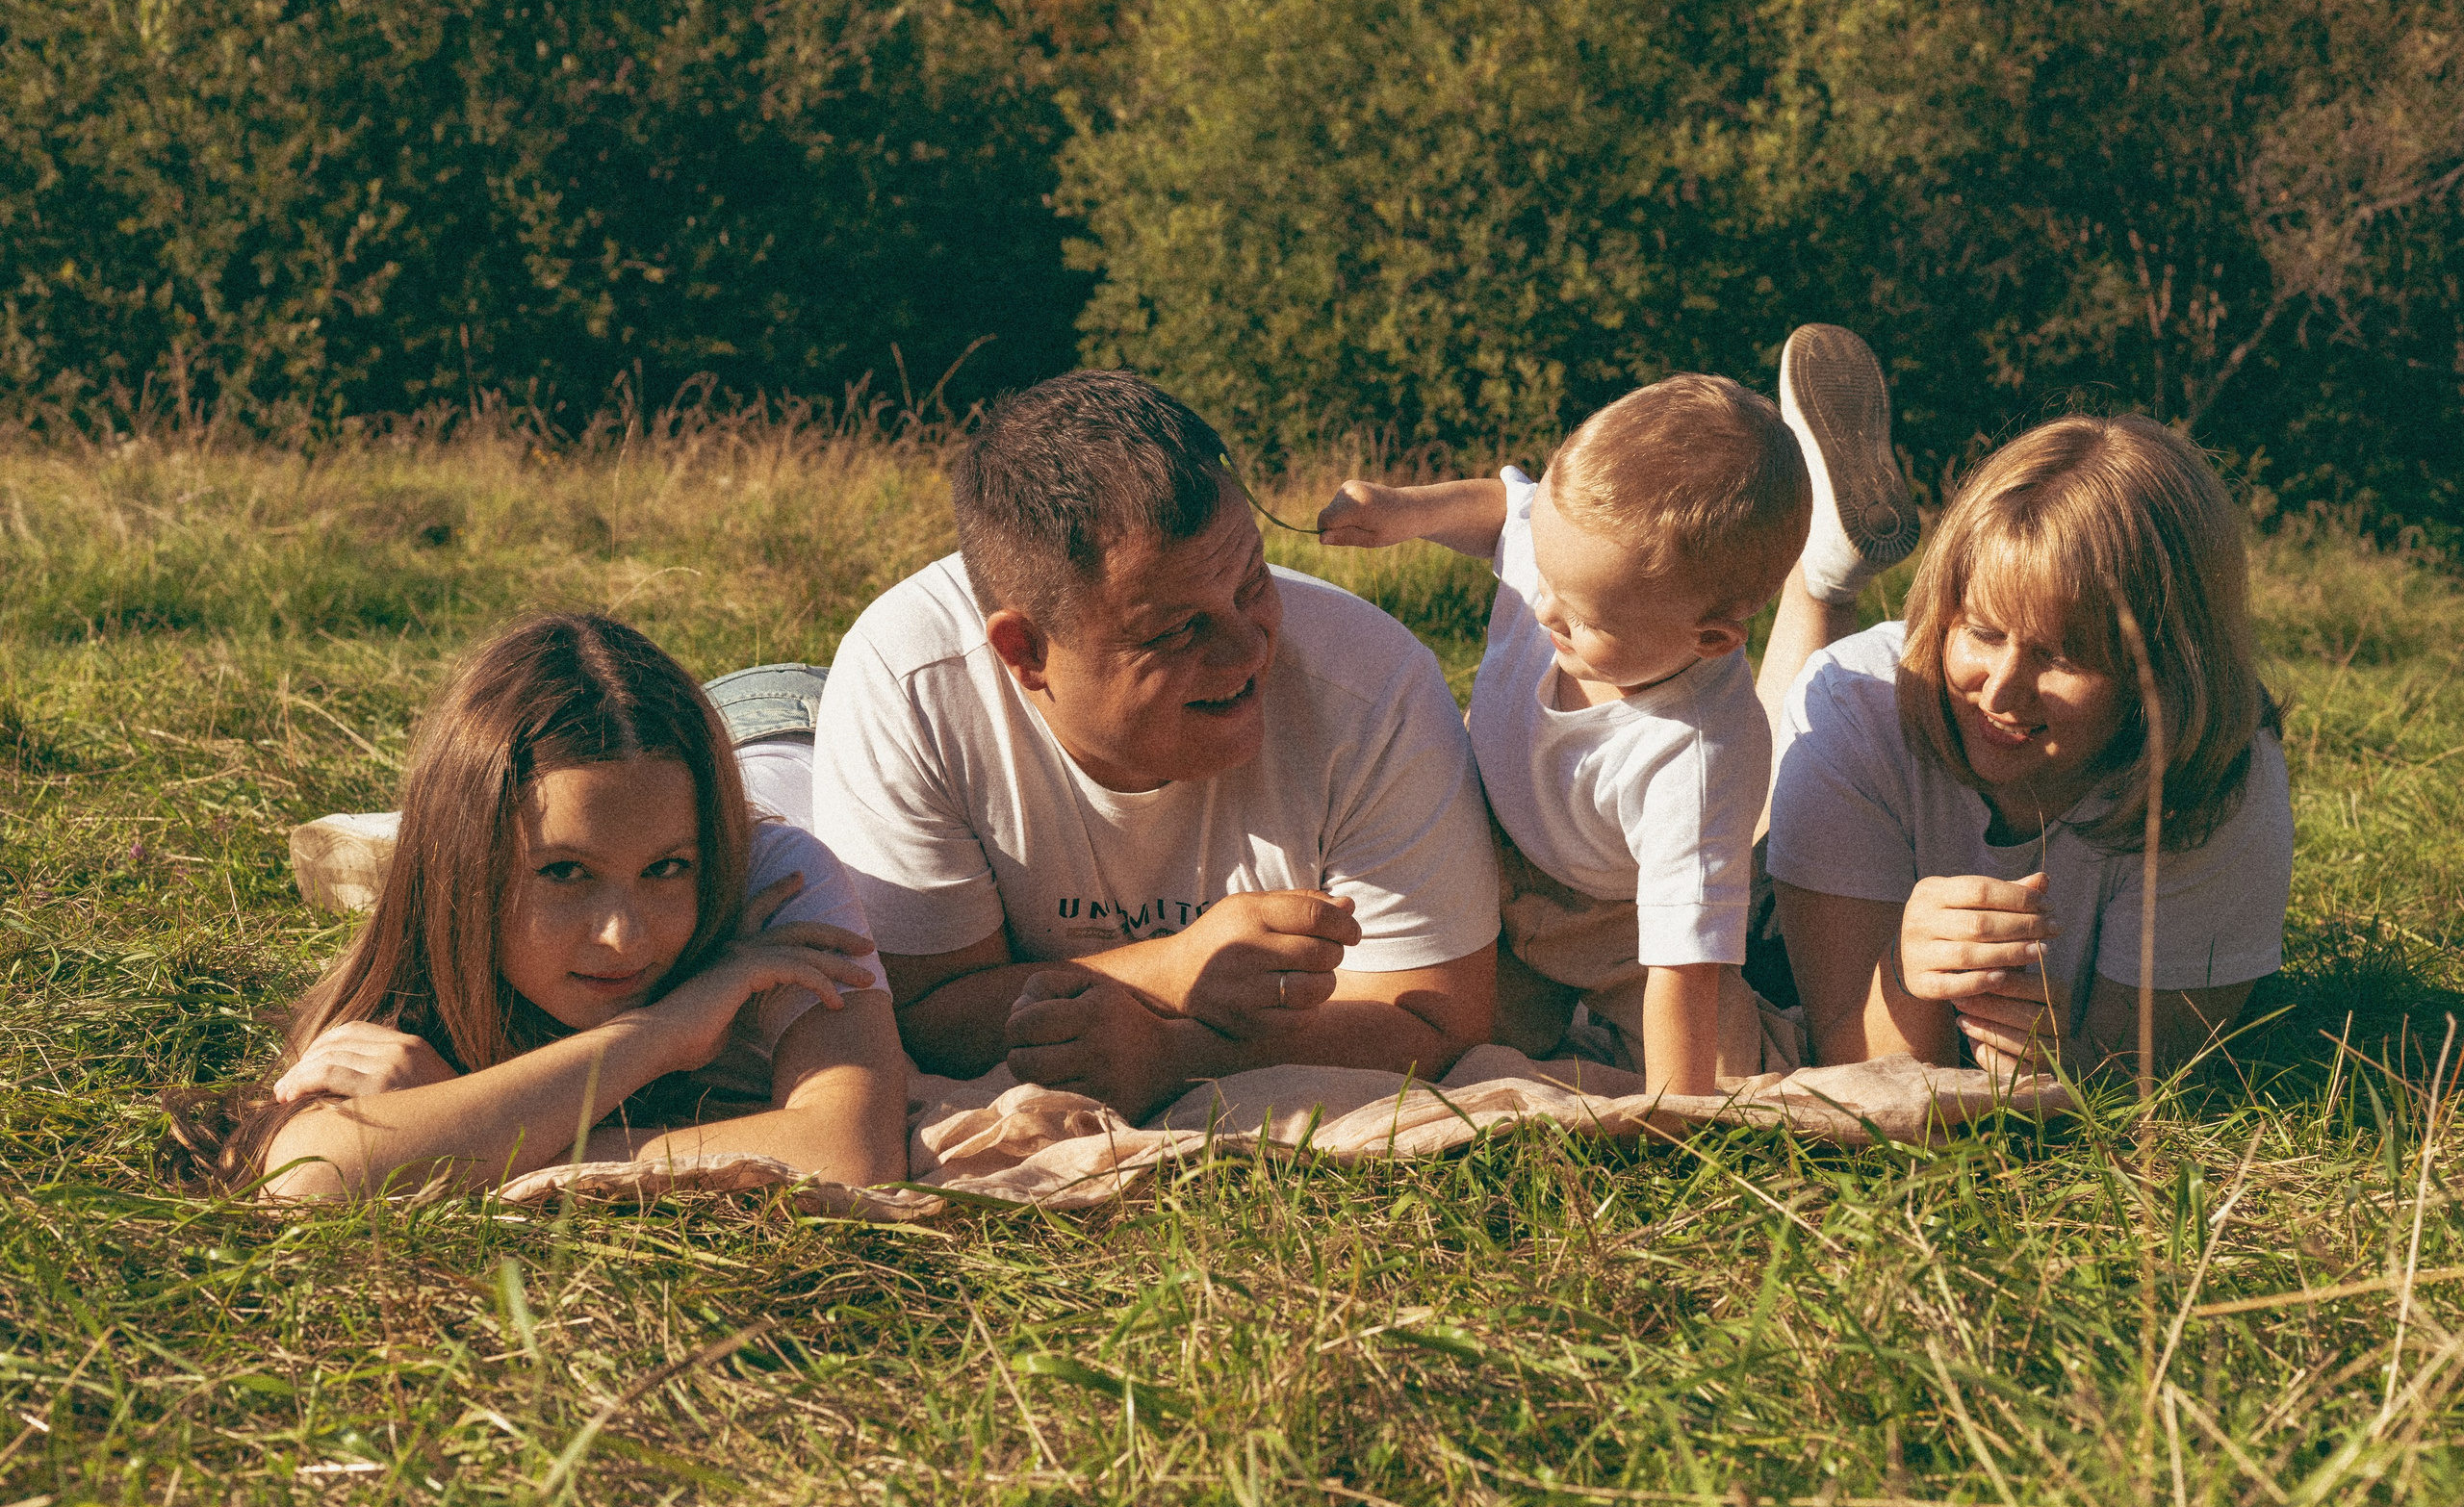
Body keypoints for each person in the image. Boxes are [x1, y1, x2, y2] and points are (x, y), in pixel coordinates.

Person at [753, 370, 1501, 1124]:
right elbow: (919, 1007)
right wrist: (1176, 970)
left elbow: (1443, 1012)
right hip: (783, 732)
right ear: (1027, 651)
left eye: (1251, 584)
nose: (1247, 651)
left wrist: (1175, 1054)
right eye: (1178, 630)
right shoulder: (907, 679)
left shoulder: (1374, 686)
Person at [159, 614, 910, 1198]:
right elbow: (305, 1172)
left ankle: (430, 839)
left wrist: (463, 1125)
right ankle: (413, 836)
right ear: (467, 873)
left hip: (804, 721)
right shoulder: (446, 926)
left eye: (668, 869)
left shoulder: (783, 882)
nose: (623, 937)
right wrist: (664, 1030)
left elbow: (851, 1154)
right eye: (564, 873)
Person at [1755, 327, 2293, 1078]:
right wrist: (1909, 975)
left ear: (2164, 670)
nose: (2002, 691)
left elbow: (2138, 1079)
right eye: (1981, 630)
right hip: (1792, 869)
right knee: (1742, 816)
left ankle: (1826, 575)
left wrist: (2052, 1065)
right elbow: (1845, 1055)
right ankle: (1820, 576)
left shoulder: (2221, 783)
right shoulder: (1857, 704)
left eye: (2060, 656)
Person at [1315, 374, 1815, 1097]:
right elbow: (1504, 514)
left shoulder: (1698, 752)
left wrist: (1674, 1118)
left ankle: (1822, 577)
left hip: (1611, 921)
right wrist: (1404, 510)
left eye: (1582, 616)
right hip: (1479, 842)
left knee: (1738, 1077)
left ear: (1707, 638)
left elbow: (1684, 966)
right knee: (1459, 1043)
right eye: (1544, 573)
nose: (1541, 605)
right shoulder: (1569, 561)